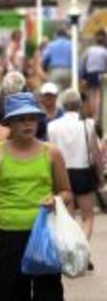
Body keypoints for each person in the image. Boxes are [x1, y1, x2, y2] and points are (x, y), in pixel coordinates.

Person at [0, 92, 71, 301]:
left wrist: (56, 199)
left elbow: (66, 192)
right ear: (9, 123)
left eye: (32, 118)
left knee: (49, 294)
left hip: (44, 234)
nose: (28, 124)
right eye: (21, 119)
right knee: (10, 294)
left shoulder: (52, 153)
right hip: (9, 236)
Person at [47, 88, 104, 271]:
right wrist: (100, 176)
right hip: (83, 173)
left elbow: (49, 153)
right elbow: (95, 154)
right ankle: (83, 253)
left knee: (68, 219)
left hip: (61, 174)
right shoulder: (87, 124)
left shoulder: (52, 126)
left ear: (62, 105)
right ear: (80, 104)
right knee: (88, 217)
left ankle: (72, 255)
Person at [81, 29, 107, 120]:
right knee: (98, 94)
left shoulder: (89, 50)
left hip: (89, 74)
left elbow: (84, 63)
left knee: (91, 95)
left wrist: (83, 77)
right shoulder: (104, 51)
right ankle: (97, 114)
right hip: (100, 74)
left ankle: (92, 114)